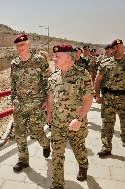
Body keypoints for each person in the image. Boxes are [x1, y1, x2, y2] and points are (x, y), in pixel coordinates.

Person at [47, 44, 93, 189]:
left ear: (67, 58)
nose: (54, 59)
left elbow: (88, 98)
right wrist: (48, 115)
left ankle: (83, 165)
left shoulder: (82, 74)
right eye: (54, 56)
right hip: (57, 124)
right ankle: (58, 184)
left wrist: (79, 119)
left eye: (57, 56)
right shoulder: (53, 77)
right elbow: (50, 98)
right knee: (57, 154)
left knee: (78, 149)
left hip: (76, 124)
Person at [11, 34, 51, 172]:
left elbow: (49, 81)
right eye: (18, 46)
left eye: (23, 45)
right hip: (19, 105)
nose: (20, 48)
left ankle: (46, 144)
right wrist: (13, 100)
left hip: (36, 105)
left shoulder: (39, 60)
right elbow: (13, 84)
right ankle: (23, 161)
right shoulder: (14, 63)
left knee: (36, 132)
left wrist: (47, 100)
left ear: (28, 45)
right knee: (19, 133)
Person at [94, 39, 125, 158]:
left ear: (123, 48)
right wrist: (97, 95)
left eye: (120, 46)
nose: (118, 49)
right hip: (108, 99)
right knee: (107, 124)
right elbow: (98, 81)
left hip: (124, 99)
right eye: (115, 47)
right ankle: (106, 147)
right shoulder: (105, 63)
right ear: (112, 49)